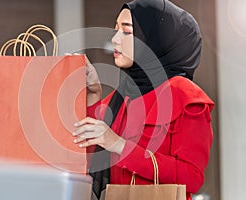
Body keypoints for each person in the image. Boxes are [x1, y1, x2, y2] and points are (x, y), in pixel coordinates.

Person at [72, 0, 214, 200]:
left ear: (156, 39)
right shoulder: (122, 96)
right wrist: (94, 93)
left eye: (127, 32)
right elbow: (88, 158)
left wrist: (119, 145)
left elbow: (192, 177)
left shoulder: (185, 95)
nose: (115, 39)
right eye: (116, 30)